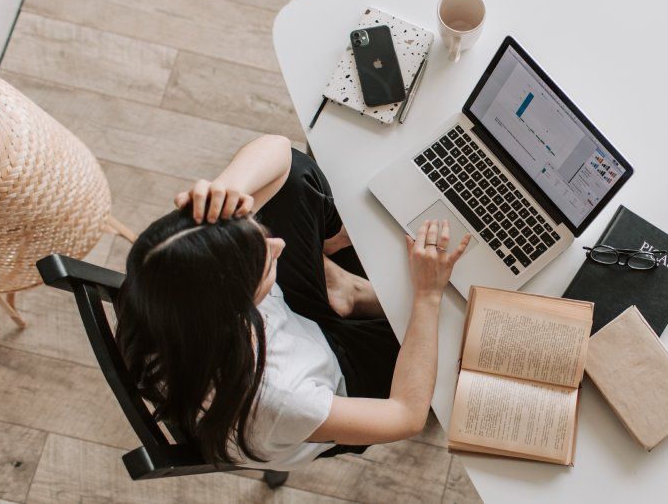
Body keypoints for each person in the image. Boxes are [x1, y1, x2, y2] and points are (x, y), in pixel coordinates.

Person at [114, 134, 470, 470]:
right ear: (239, 307)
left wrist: (229, 189)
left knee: (297, 176)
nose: (278, 246)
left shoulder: (161, 280)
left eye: (258, 235)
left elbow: (281, 153)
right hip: (337, 380)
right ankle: (347, 291)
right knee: (455, 335)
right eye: (263, 259)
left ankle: (342, 290)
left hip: (288, 330)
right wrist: (427, 294)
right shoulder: (282, 399)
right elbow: (405, 416)